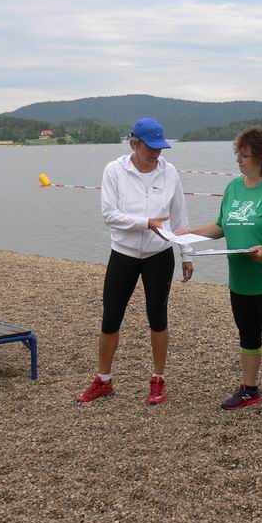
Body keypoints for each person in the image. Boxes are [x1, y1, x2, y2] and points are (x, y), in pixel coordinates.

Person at [179, 127, 262, 417]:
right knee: (247, 335)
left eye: (244, 155)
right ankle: (249, 389)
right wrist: (189, 232)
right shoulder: (233, 187)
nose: (238, 160)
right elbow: (221, 226)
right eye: (238, 154)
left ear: (261, 157)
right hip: (240, 279)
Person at [76, 118, 194, 405]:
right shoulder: (114, 170)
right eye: (151, 147)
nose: (156, 153)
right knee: (110, 318)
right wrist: (146, 223)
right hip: (124, 254)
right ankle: (103, 380)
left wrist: (187, 254)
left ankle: (158, 380)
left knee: (158, 317)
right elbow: (109, 215)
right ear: (134, 143)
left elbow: (180, 217)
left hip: (159, 254)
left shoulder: (169, 173)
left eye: (160, 147)